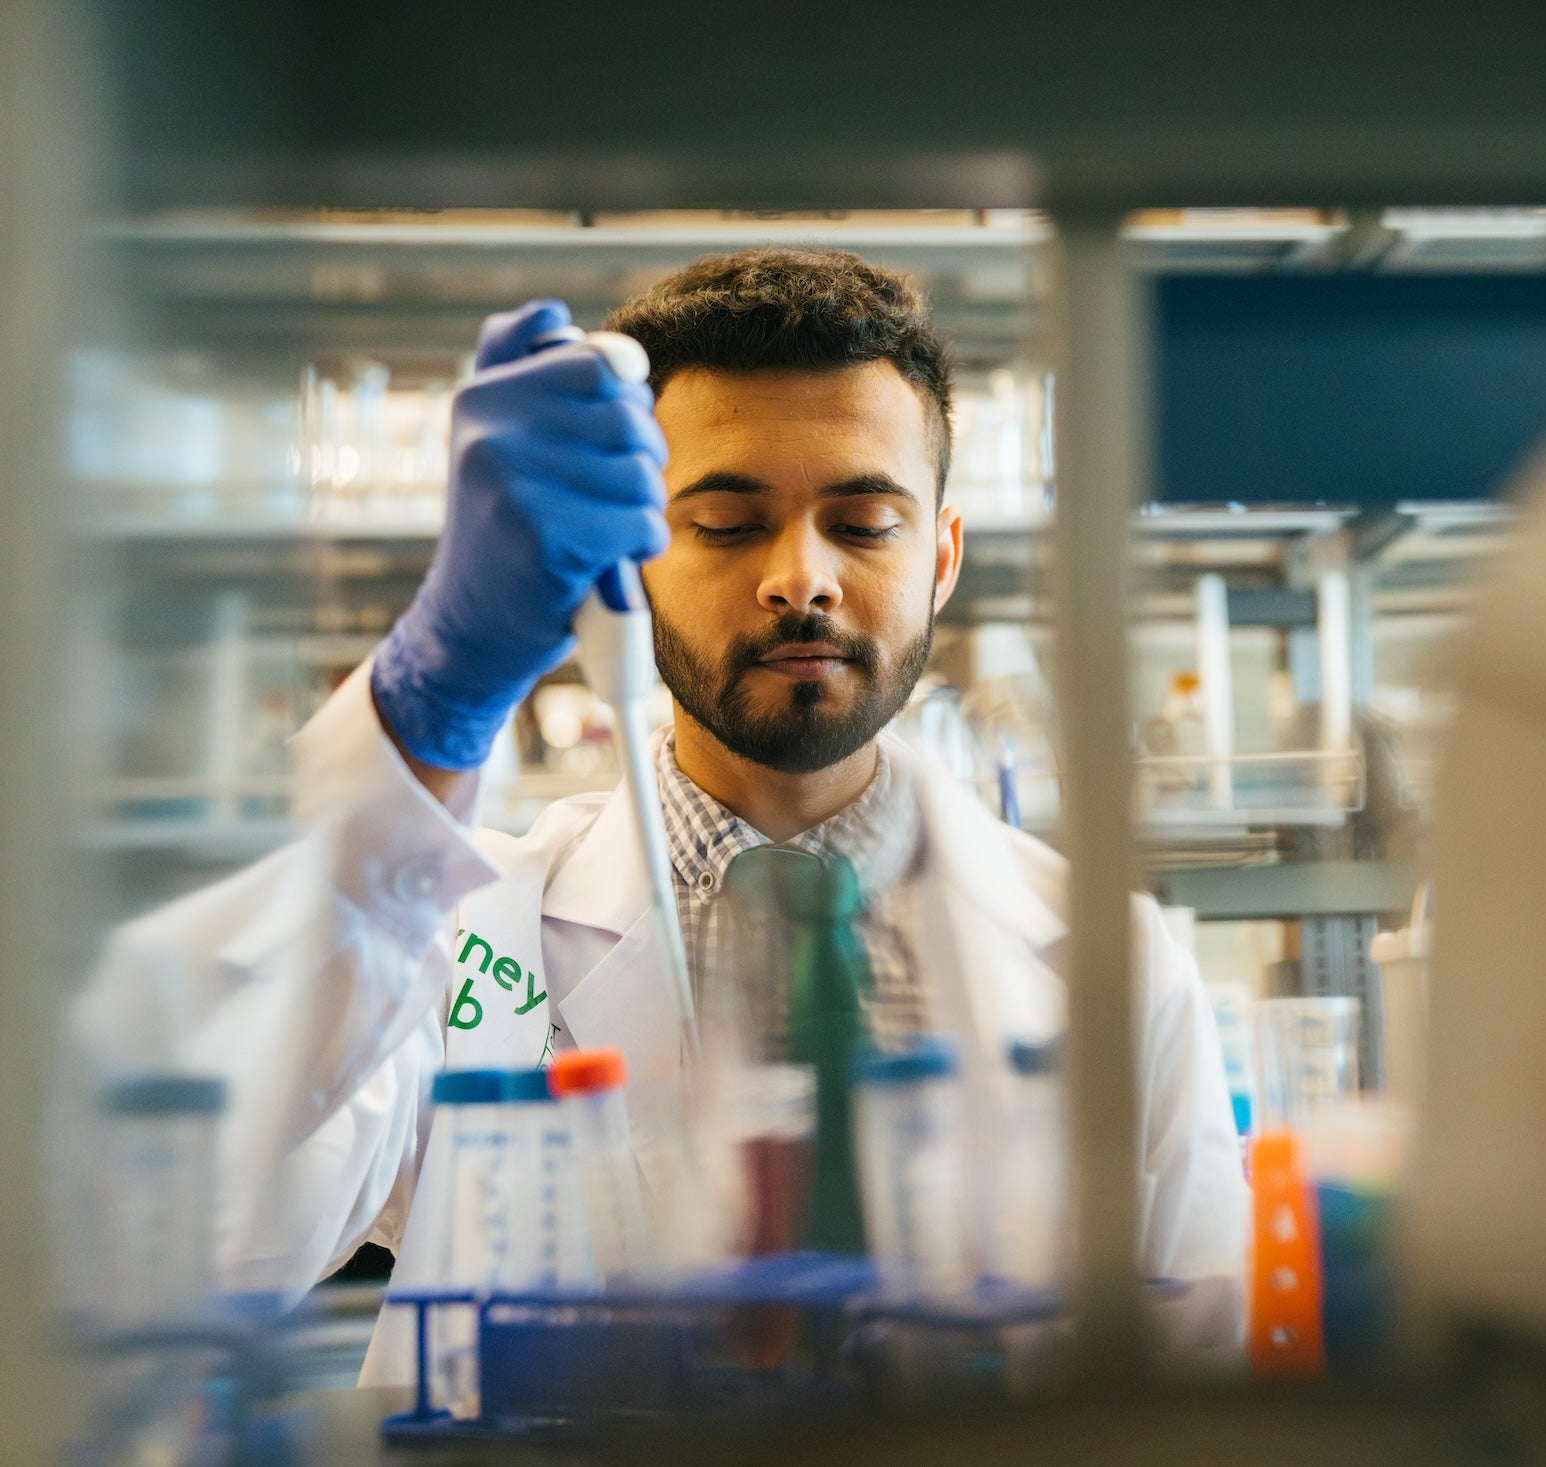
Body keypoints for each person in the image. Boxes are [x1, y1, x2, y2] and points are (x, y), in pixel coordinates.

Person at [70, 248, 1249, 1380]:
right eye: (727, 523)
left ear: (940, 558)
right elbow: (166, 1243)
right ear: (628, 559)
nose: (802, 577)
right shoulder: (462, 931)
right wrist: (435, 697)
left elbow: (1212, 1376)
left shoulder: (1111, 961)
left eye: (864, 523)